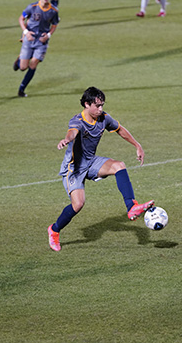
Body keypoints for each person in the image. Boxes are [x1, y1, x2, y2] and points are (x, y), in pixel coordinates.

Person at [48, 87, 155, 252]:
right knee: (78, 204)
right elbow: (72, 133)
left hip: (91, 162)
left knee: (119, 165)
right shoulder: (77, 121)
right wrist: (66, 139)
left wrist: (137, 145)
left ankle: (131, 206)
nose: (100, 109)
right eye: (97, 106)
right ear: (86, 104)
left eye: (102, 105)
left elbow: (120, 129)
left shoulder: (104, 118)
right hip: (74, 168)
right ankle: (54, 230)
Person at [12, 0, 59, 97]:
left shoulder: (53, 11)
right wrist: (26, 33)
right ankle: (19, 61)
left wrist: (48, 35)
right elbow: (21, 18)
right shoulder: (31, 7)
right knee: (23, 67)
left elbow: (54, 24)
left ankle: (21, 90)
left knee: (33, 64)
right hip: (29, 39)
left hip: (41, 42)